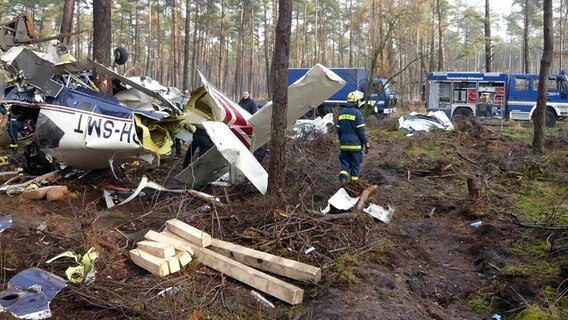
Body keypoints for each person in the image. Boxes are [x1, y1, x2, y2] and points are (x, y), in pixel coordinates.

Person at [336, 91, 369, 185]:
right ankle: (354, 184)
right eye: (358, 101)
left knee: (345, 163)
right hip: (355, 146)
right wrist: (366, 142)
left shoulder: (341, 113)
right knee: (355, 165)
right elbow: (361, 131)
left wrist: (341, 140)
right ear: (356, 102)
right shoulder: (358, 113)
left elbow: (338, 130)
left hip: (344, 144)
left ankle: (343, 178)